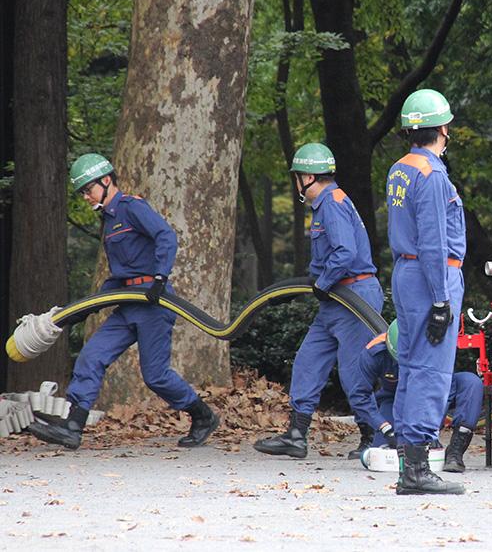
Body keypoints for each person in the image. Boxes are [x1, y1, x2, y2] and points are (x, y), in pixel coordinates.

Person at [27, 154, 219, 450]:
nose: (86, 197)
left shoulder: (132, 208)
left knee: (155, 376)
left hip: (154, 303)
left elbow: (166, 236)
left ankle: (203, 416)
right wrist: (87, 308)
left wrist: (160, 278)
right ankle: (73, 427)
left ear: (106, 181)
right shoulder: (110, 219)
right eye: (82, 193)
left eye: (88, 189)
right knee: (92, 355)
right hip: (127, 304)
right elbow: (120, 274)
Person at [253, 143, 384, 460]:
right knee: (308, 361)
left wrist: (323, 283)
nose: (296, 183)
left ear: (308, 177)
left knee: (355, 373)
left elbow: (345, 253)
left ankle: (374, 437)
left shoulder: (333, 204)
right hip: (335, 300)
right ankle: (296, 436)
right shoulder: (328, 202)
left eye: (298, 177)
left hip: (353, 297)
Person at [385, 88, 466, 495]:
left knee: (412, 367)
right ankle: (417, 470)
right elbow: (434, 240)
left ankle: (407, 465)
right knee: (432, 370)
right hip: (432, 275)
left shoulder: (399, 168)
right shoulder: (432, 175)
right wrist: (441, 299)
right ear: (443, 129)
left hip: (406, 273)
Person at [349, 320, 484, 473]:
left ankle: (454, 453)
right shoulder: (373, 352)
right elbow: (359, 396)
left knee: (471, 383)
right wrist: (385, 428)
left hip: (431, 394)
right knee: (384, 456)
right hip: (394, 401)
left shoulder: (433, 347)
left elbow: (444, 390)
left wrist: (429, 430)